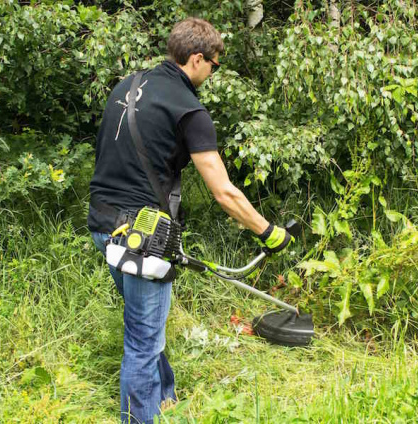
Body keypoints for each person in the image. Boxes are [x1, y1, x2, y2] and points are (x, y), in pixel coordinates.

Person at [87, 17, 292, 424]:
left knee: (146, 323)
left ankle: (166, 399)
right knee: (143, 340)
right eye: (214, 66)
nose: (212, 74)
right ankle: (140, 418)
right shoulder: (189, 109)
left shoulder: (127, 86)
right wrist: (268, 232)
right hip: (143, 236)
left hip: (103, 224)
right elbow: (224, 191)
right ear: (197, 59)